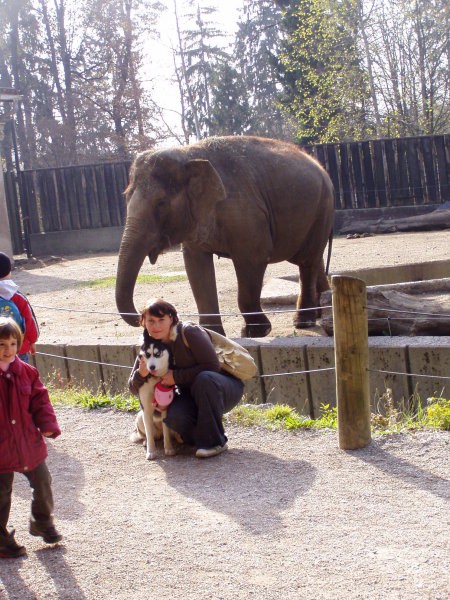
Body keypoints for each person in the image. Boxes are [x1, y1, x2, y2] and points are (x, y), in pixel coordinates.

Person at [129, 299, 244, 458]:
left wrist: (175, 377)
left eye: (161, 320)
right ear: (143, 322)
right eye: (151, 321)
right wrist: (140, 375)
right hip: (190, 396)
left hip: (221, 389)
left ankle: (215, 442)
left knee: (204, 379)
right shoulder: (148, 345)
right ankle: (198, 439)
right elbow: (133, 388)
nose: (156, 326)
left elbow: (212, 366)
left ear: (172, 319)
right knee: (173, 417)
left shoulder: (189, 332)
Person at [0, 317, 62, 559]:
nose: (8, 350)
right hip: (2, 449)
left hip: (28, 444)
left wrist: (48, 425)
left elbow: (41, 402)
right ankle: (1, 539)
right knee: (2, 494)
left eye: (13, 344)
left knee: (43, 483)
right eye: (2, 345)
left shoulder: (28, 372)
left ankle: (43, 522)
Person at [0, 252, 39, 363]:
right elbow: (29, 320)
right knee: (20, 377)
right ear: (9, 272)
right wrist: (32, 341)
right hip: (19, 348)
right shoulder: (17, 296)